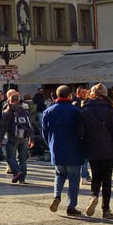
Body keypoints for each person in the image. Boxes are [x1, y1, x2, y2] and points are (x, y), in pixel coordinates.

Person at [76, 83, 113, 219]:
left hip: (92, 148)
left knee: (96, 176)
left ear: (91, 94)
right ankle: (106, 210)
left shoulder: (84, 109)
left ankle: (93, 196)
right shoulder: (109, 109)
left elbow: (80, 132)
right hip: (108, 148)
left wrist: (83, 145)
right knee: (107, 180)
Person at [43, 85, 85, 216]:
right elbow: (82, 131)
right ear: (70, 95)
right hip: (74, 148)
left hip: (56, 148)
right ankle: (71, 206)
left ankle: (57, 196)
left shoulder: (48, 111)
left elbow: (45, 132)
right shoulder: (75, 111)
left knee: (59, 174)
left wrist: (50, 145)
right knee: (73, 178)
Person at [0, 89, 33, 184]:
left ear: (9, 100)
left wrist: (0, 139)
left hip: (12, 136)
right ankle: (22, 178)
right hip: (24, 137)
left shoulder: (8, 111)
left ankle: (17, 172)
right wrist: (31, 138)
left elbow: (3, 126)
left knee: (10, 157)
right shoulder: (24, 109)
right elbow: (29, 124)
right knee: (23, 159)